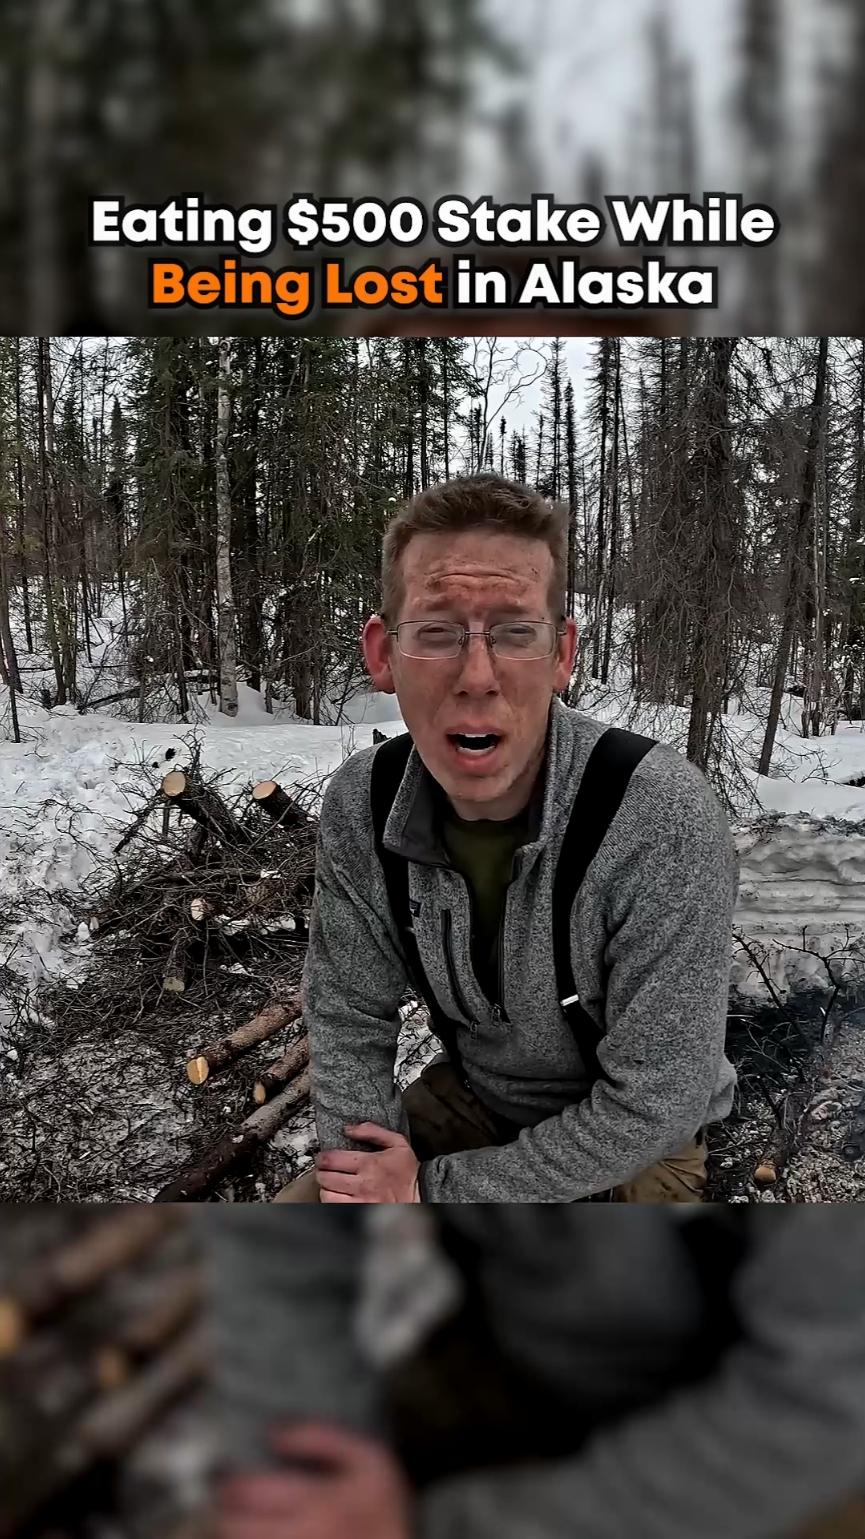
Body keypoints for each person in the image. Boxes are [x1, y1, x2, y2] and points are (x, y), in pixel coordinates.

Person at [281, 473, 738, 1203]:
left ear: (560, 654)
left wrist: (434, 1191)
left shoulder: (657, 817)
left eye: (513, 633)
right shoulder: (362, 806)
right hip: (475, 1100)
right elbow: (347, 1015)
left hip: (633, 1149)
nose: (477, 675)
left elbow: (656, 1103)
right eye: (436, 632)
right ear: (382, 653)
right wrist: (363, 1179)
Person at [208, 1206, 865, 1539]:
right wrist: (300, 1481)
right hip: (522, 1352)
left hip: (780, 1443)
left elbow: (822, 1403)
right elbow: (281, 1230)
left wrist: (425, 1527)